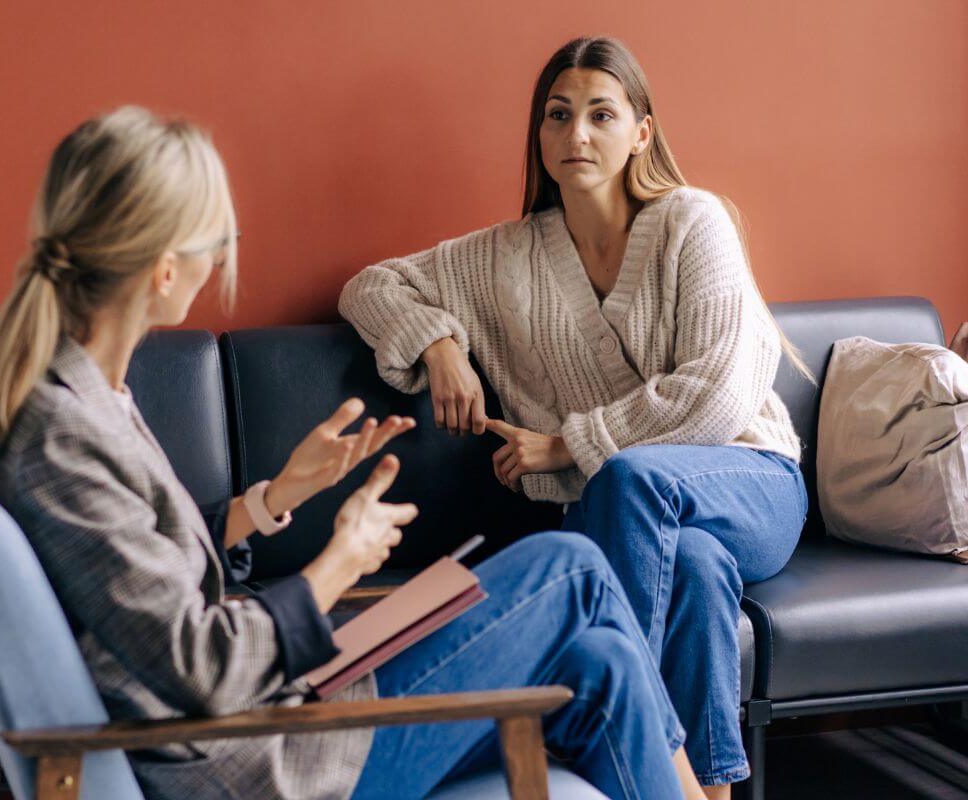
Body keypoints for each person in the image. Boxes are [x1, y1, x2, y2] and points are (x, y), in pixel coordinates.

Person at [0, 106, 703, 799]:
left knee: (596, 663)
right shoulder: (60, 433)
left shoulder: (80, 396)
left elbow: (139, 570)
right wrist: (337, 565)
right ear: (164, 269)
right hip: (255, 757)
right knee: (570, 567)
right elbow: (196, 665)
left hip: (264, 712)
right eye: (215, 244)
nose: (220, 264)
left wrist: (274, 498)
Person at [339, 36, 809, 798]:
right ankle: (712, 790)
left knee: (629, 480)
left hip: (750, 480)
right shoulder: (506, 257)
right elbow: (370, 286)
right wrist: (439, 345)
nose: (577, 135)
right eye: (559, 116)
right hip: (643, 515)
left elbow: (719, 395)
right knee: (690, 564)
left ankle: (661, 771)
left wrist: (566, 443)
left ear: (641, 133)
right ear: (540, 134)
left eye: (600, 114)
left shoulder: (695, 223)